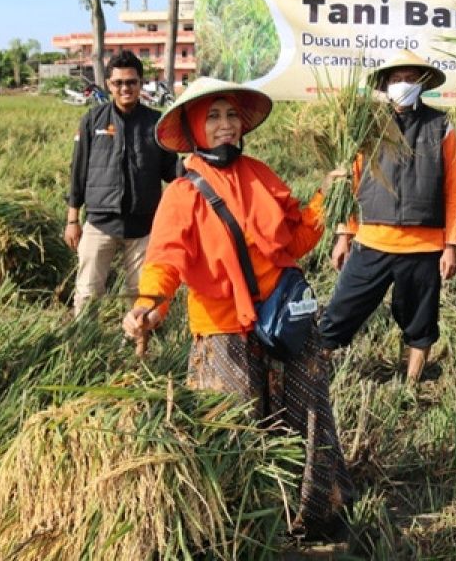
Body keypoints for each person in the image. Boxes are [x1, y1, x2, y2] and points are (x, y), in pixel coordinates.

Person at [120, 77, 351, 538]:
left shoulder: (260, 174)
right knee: (236, 434)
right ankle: (242, 530)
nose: (225, 125)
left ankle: (312, 521)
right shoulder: (183, 194)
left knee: (305, 420)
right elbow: (165, 258)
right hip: (224, 331)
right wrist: (149, 304)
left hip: (284, 322)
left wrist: (329, 197)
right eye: (213, 117)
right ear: (193, 127)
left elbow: (295, 241)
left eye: (230, 116)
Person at [319, 50, 456, 383]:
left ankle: (411, 385)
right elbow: (351, 180)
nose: (403, 84)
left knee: (420, 321)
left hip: (423, 245)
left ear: (422, 84)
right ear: (385, 84)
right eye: (397, 79)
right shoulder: (367, 125)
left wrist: (451, 244)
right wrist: (344, 235)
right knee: (341, 312)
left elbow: (453, 189)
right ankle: (314, 373)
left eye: (411, 78)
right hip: (372, 239)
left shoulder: (440, 125)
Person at [65, 51, 180, 317]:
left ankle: (140, 350)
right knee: (87, 293)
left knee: (145, 297)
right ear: (108, 84)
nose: (125, 88)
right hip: (99, 223)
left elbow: (172, 170)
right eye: (118, 83)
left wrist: (198, 169)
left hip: (143, 227)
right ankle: (84, 342)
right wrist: (73, 219)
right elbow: (78, 170)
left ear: (141, 84)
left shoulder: (155, 123)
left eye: (131, 82)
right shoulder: (93, 120)